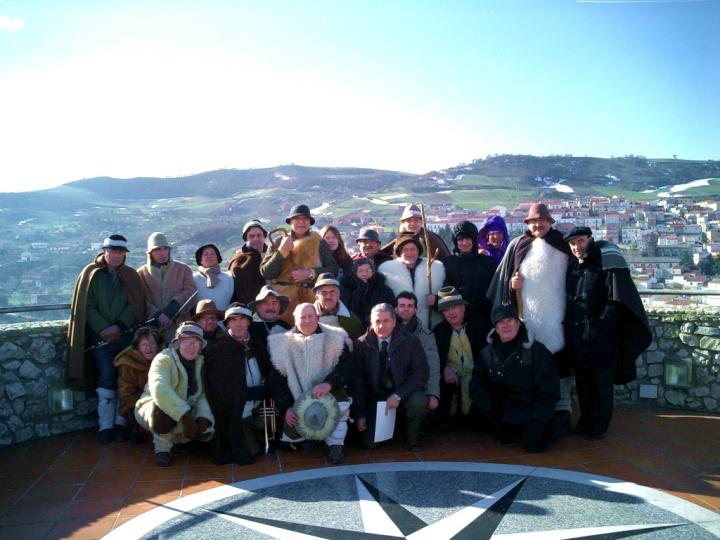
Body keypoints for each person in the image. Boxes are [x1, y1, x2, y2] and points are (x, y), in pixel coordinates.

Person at [487, 202, 573, 426]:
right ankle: (532, 408)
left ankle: (562, 407)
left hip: (559, 317)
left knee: (560, 364)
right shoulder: (519, 245)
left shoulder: (563, 245)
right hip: (528, 320)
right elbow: (505, 280)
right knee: (530, 364)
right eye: (533, 222)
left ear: (550, 222)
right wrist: (512, 284)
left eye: (541, 221)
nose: (537, 225)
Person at [564, 227, 652, 440]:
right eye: (573, 243)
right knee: (584, 384)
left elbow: (615, 301)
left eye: (581, 241)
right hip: (579, 338)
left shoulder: (606, 264)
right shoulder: (575, 267)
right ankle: (585, 422)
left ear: (590, 240)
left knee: (601, 385)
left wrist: (599, 327)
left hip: (601, 340)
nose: (577, 247)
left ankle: (599, 426)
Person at [67, 234, 146, 444]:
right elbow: (87, 306)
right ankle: (105, 426)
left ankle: (121, 423)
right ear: (104, 251)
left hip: (126, 335)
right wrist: (103, 329)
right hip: (101, 338)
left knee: (126, 379)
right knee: (107, 378)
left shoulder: (130, 276)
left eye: (121, 252)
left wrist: (119, 326)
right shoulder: (91, 274)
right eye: (113, 251)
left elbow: (135, 305)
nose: (117, 255)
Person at [267, 303, 353, 464]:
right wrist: (286, 407)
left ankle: (335, 445)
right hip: (297, 400)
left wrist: (329, 384)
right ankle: (310, 438)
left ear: (317, 317)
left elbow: (347, 368)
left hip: (329, 395)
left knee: (340, 407)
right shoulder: (281, 345)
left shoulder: (336, 339)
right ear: (295, 320)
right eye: (302, 317)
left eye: (310, 316)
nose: (307, 321)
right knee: (288, 443)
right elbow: (276, 381)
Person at [470, 305, 560, 453]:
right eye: (501, 322)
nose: (506, 326)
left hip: (531, 413)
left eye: (510, 320)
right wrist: (484, 400)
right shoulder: (486, 354)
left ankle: (558, 421)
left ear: (519, 323)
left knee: (534, 445)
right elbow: (476, 383)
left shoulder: (537, 351)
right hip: (503, 413)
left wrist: (538, 421)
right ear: (495, 328)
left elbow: (549, 391)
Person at [134, 322, 214, 467]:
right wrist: (185, 416)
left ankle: (184, 440)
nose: (191, 346)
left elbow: (204, 394)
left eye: (196, 342)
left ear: (201, 346)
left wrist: (203, 417)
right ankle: (162, 450)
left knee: (206, 429)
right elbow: (159, 389)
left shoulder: (202, 362)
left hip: (189, 406)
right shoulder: (163, 359)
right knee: (162, 412)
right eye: (186, 341)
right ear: (177, 343)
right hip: (155, 405)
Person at [354, 304, 429, 450]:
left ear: (394, 322)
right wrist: (360, 413)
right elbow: (358, 382)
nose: (381, 326)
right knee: (369, 444)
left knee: (419, 401)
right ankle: (393, 429)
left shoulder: (411, 341)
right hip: (376, 396)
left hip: (403, 391)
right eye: (377, 321)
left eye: (386, 321)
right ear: (371, 322)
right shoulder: (361, 344)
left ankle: (413, 437)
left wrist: (398, 395)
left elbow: (421, 372)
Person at [205, 303, 272, 464]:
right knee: (249, 451)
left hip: (259, 404)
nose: (239, 323)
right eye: (233, 320)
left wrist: (265, 390)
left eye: (242, 319)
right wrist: (246, 393)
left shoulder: (257, 345)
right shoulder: (218, 349)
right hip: (234, 409)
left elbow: (269, 371)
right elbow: (217, 386)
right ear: (227, 323)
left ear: (249, 321)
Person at [260, 204, 338, 325]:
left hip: (311, 300)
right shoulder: (278, 242)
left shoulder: (318, 242)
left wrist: (310, 273)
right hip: (284, 302)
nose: (301, 222)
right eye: (297, 219)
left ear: (309, 222)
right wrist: (282, 251)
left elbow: (333, 269)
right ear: (290, 221)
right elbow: (267, 273)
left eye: (305, 219)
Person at [433, 287, 486, 426]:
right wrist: (444, 369)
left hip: (478, 381)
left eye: (455, 307)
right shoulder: (438, 332)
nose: (451, 312)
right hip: (452, 382)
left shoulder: (479, 326)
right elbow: (433, 360)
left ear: (463, 307)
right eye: (446, 309)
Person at [137, 232, 197, 344]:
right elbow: (139, 301)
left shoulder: (183, 269)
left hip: (181, 329)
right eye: (157, 249)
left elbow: (191, 293)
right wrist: (158, 315)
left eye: (165, 249)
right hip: (154, 332)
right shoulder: (141, 274)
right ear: (150, 253)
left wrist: (171, 310)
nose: (162, 253)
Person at [378, 234, 445, 329]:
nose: (409, 253)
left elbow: (447, 298)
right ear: (399, 252)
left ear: (418, 251)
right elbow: (382, 298)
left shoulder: (435, 268)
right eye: (405, 250)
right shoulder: (386, 270)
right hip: (398, 326)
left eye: (413, 249)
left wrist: (436, 301)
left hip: (432, 325)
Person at [113, 327, 163, 444]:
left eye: (152, 344)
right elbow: (126, 394)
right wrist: (146, 402)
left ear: (158, 345)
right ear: (137, 347)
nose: (149, 348)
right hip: (135, 404)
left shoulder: (164, 359)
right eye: (144, 345)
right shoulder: (127, 364)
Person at [394, 291, 441, 414]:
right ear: (395, 309)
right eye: (402, 305)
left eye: (410, 306)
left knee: (419, 402)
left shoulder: (426, 335)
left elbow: (432, 365)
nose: (406, 309)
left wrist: (433, 393)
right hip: (390, 384)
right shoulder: (386, 330)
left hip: (414, 384)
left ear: (416, 309)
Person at [443, 221, 496, 327]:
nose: (464, 243)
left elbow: (494, 291)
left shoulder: (488, 263)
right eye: (461, 239)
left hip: (482, 321)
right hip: (454, 321)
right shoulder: (447, 263)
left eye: (468, 239)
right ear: (455, 241)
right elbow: (443, 290)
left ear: (474, 240)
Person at [381, 203, 450, 261]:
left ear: (421, 222)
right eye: (409, 220)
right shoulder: (400, 239)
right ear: (403, 223)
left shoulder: (430, 239)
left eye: (416, 220)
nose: (413, 223)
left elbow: (446, 260)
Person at [340, 257, 396, 327]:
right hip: (353, 325)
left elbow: (391, 307)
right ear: (355, 273)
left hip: (378, 325)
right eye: (360, 271)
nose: (364, 273)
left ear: (373, 271)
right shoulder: (348, 289)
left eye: (367, 270)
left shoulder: (384, 289)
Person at [313, 272, 365, 340]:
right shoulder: (305, 319)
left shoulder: (352, 321)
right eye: (323, 293)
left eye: (332, 292)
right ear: (316, 297)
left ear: (339, 295)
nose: (328, 296)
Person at [228, 219, 269, 305]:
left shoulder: (272, 255)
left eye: (259, 235)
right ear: (246, 238)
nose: (256, 239)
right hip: (247, 305)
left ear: (264, 236)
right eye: (251, 236)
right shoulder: (239, 260)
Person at [194, 243, 234, 310]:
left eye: (212, 254)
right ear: (200, 260)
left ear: (218, 258)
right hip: (201, 319)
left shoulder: (229, 277)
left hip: (224, 318)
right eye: (206, 254)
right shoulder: (194, 278)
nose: (209, 256)